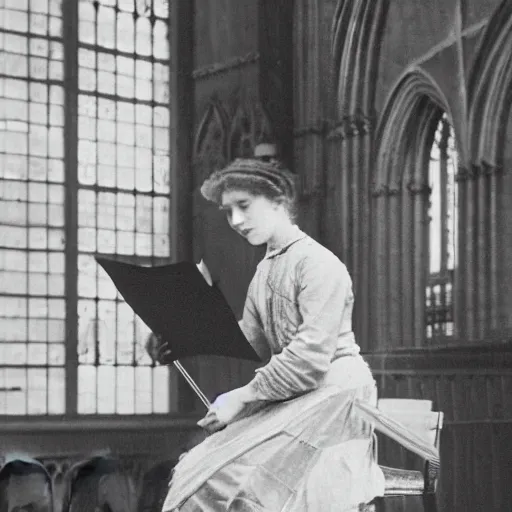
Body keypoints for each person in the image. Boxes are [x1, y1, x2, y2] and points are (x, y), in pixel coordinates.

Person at [161, 156, 385, 511]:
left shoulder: (320, 264)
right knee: (200, 467)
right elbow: (249, 337)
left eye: (244, 206)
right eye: (228, 210)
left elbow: (309, 359)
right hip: (299, 392)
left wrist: (242, 397)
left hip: (336, 393)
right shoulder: (266, 269)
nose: (235, 220)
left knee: (236, 481)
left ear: (278, 201)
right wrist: (183, 340)